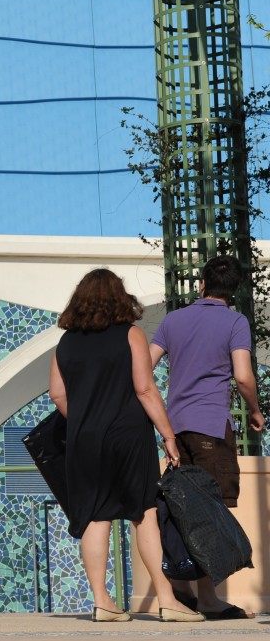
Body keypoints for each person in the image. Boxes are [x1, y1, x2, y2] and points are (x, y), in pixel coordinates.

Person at [49, 269, 202, 623]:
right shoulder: (131, 334)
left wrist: (88, 418)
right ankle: (167, 599)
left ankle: (103, 601)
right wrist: (168, 435)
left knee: (95, 517)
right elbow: (145, 388)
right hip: (128, 436)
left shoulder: (66, 342)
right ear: (121, 298)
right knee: (143, 513)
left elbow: (57, 393)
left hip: (84, 440)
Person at [149, 254, 265, 620]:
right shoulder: (234, 322)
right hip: (211, 428)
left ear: (201, 284)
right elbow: (244, 377)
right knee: (209, 511)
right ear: (234, 289)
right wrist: (256, 410)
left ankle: (182, 592)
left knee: (181, 507)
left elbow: (144, 367)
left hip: (174, 428)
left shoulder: (173, 320)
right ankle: (209, 600)